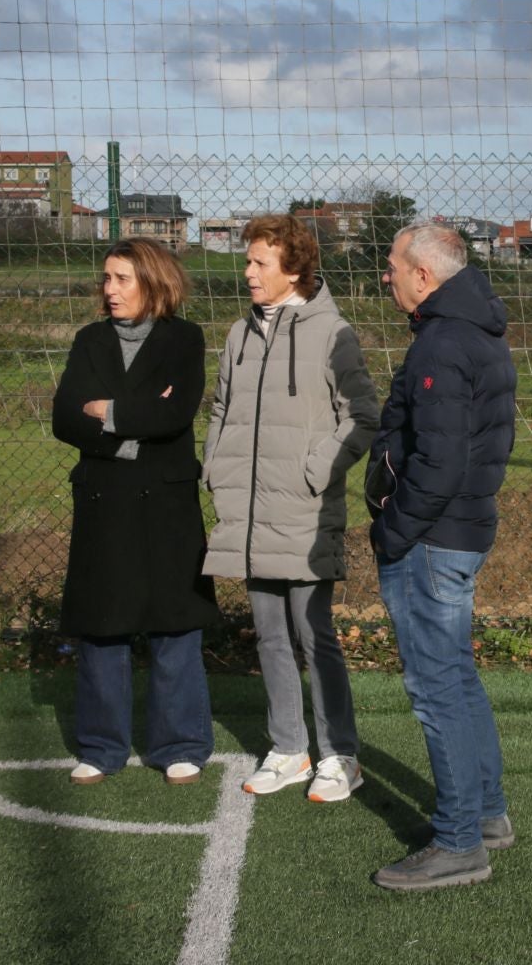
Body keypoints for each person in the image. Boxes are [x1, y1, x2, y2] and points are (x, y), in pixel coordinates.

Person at [201, 215, 379, 802]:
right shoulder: (237, 336)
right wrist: (217, 468)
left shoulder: (334, 333)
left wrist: (314, 471)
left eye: (258, 263)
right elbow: (221, 410)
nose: (246, 272)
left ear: (295, 268)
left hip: (304, 514)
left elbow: (364, 417)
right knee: (269, 636)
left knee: (312, 633)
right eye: (247, 261)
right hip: (248, 513)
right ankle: (288, 748)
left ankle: (339, 755)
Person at [366, 222, 518, 892]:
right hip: (455, 534)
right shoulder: (473, 333)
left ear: (423, 275)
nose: (386, 276)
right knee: (456, 677)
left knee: (437, 691)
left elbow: (441, 461)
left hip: (432, 540)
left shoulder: (443, 342)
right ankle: (486, 817)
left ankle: (459, 843)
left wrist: (392, 531)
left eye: (393, 266)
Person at [52, 237, 219, 785]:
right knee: (104, 627)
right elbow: (65, 419)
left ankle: (181, 743)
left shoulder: (184, 339)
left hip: (166, 504)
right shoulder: (89, 340)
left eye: (122, 278)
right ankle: (101, 748)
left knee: (175, 624)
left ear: (154, 280)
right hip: (104, 500)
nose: (110, 289)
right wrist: (130, 424)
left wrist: (107, 411)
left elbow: (175, 415)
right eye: (107, 278)